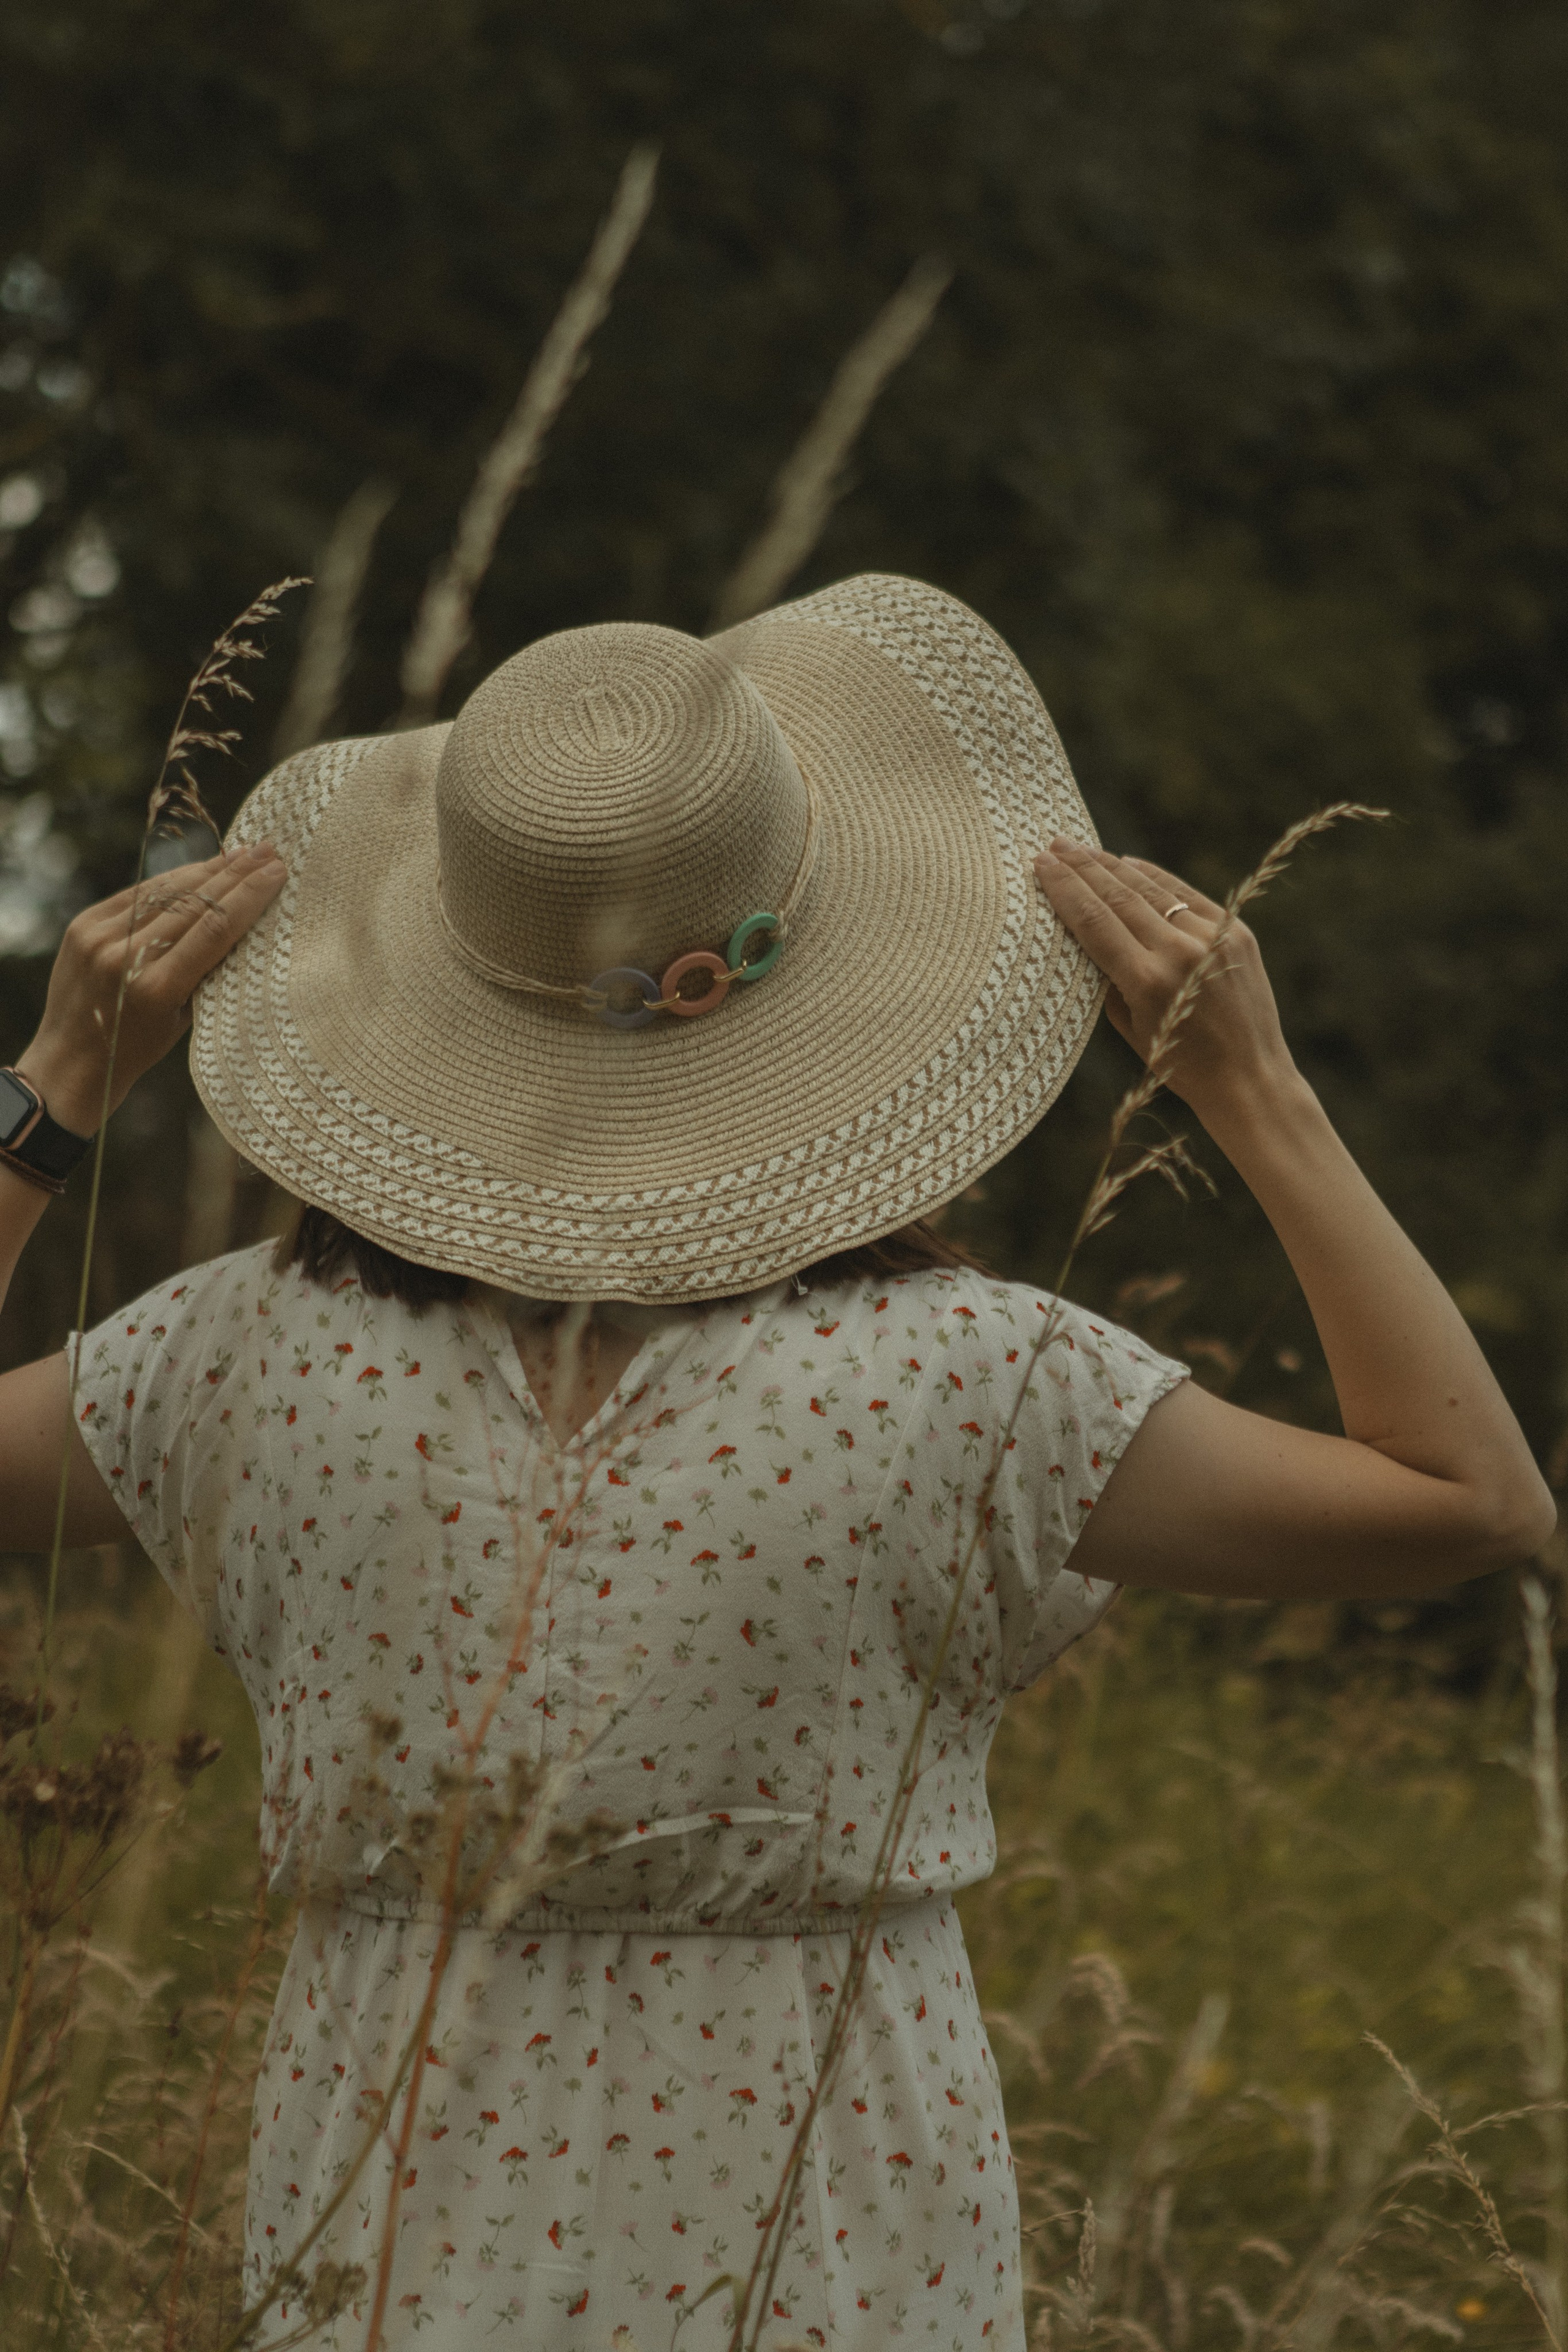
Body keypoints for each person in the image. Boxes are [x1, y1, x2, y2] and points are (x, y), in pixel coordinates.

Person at [0, 573, 1552, 2350]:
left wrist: (51, 1094)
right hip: (836, 2231)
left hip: (388, 2219)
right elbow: (1475, 1501)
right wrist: (1255, 1093)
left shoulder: (248, 1358)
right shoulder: (968, 1386)